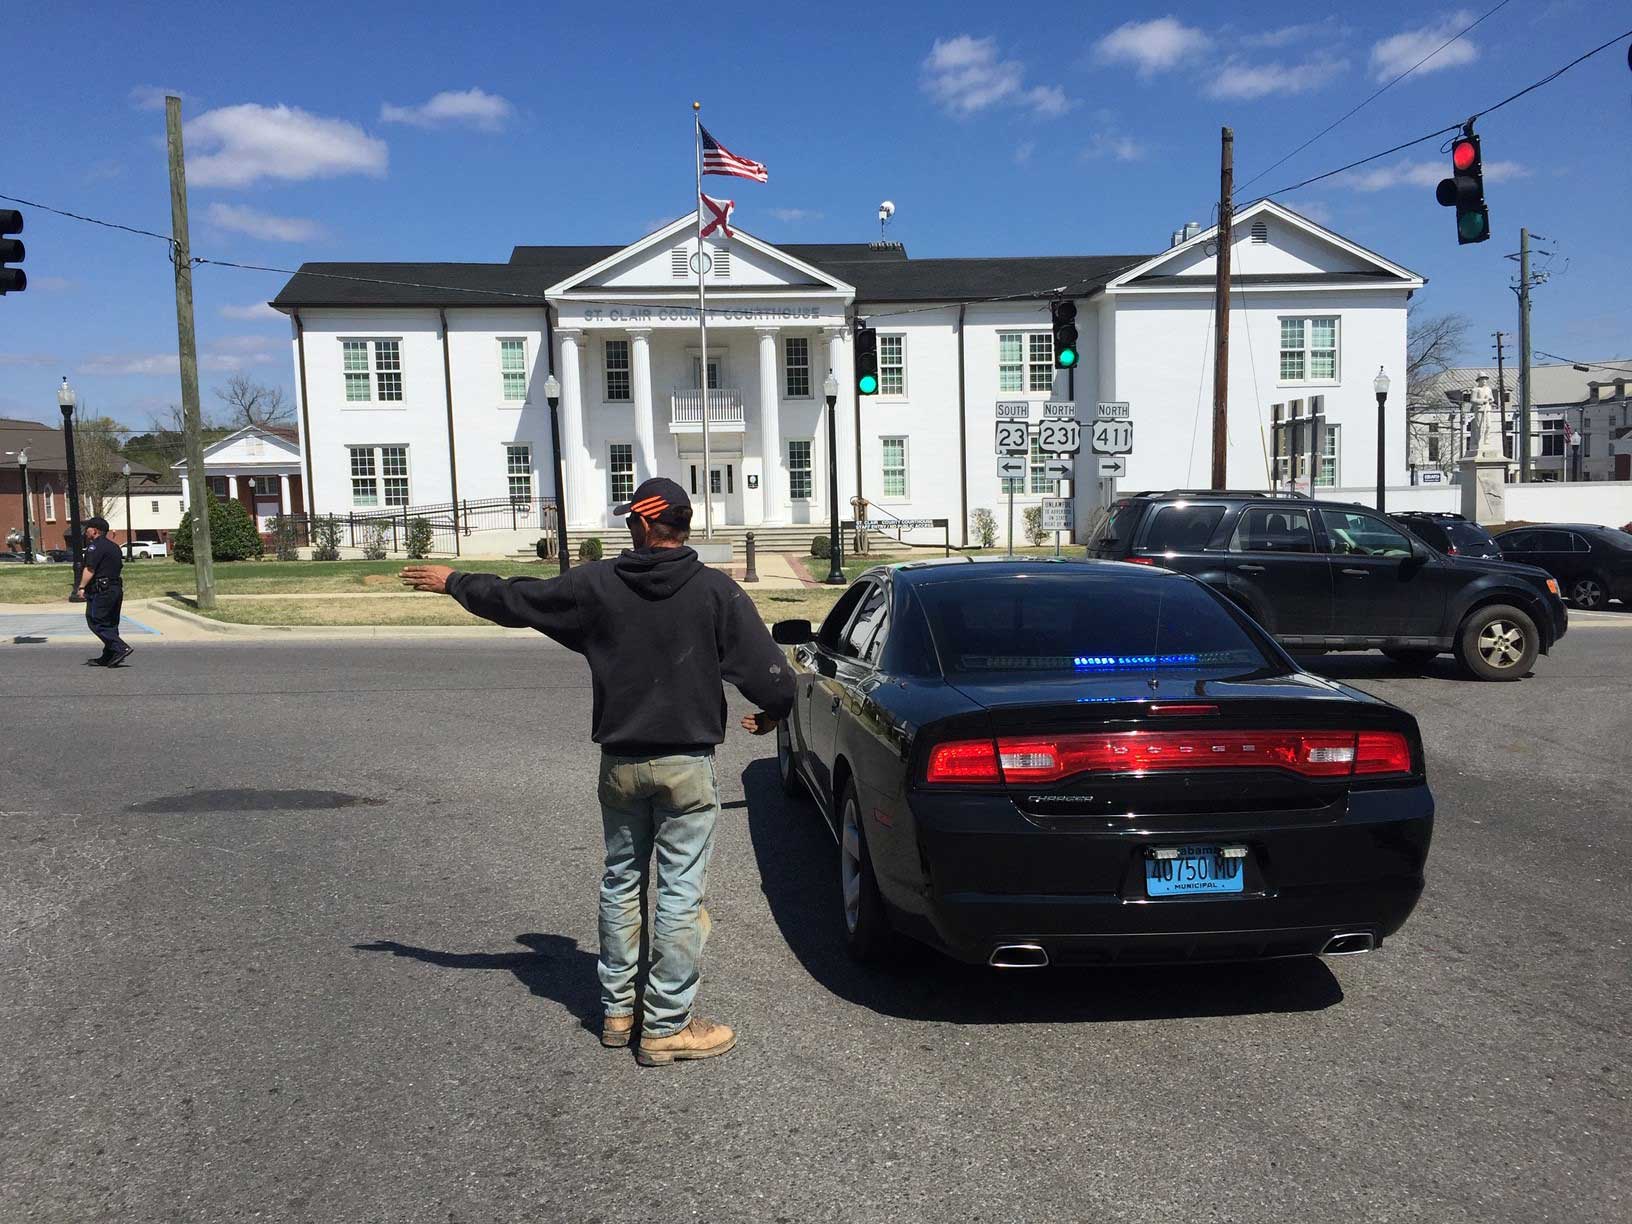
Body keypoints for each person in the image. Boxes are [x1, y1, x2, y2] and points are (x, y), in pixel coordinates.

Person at [401, 477, 794, 1066]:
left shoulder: (597, 586)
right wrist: (772, 715)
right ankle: (666, 1025)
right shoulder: (716, 591)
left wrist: (454, 581)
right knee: (680, 894)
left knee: (621, 881)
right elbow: (773, 677)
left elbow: (518, 598)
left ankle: (617, 1012)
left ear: (639, 525)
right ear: (684, 527)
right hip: (687, 766)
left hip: (621, 764)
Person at [77, 516, 132, 667]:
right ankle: (109, 655)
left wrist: (81, 587)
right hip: (115, 589)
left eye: (87, 529)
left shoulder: (95, 547)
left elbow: (90, 569)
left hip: (102, 590)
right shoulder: (114, 546)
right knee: (111, 623)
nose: (86, 532)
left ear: (94, 531)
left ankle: (121, 647)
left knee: (96, 620)